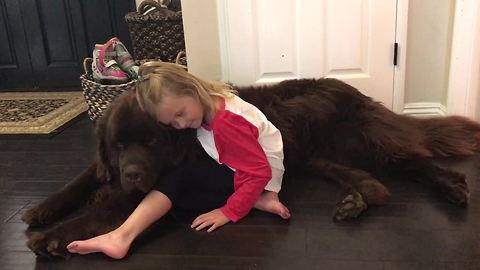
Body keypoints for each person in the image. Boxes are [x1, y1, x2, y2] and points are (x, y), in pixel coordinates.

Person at [67, 62, 290, 259]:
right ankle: (262, 198)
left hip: (260, 169)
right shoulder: (210, 102)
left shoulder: (225, 125)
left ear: (192, 90)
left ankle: (121, 237)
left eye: (181, 113)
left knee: (177, 178)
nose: (181, 124)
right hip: (255, 161)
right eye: (173, 122)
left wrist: (229, 211)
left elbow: (259, 171)